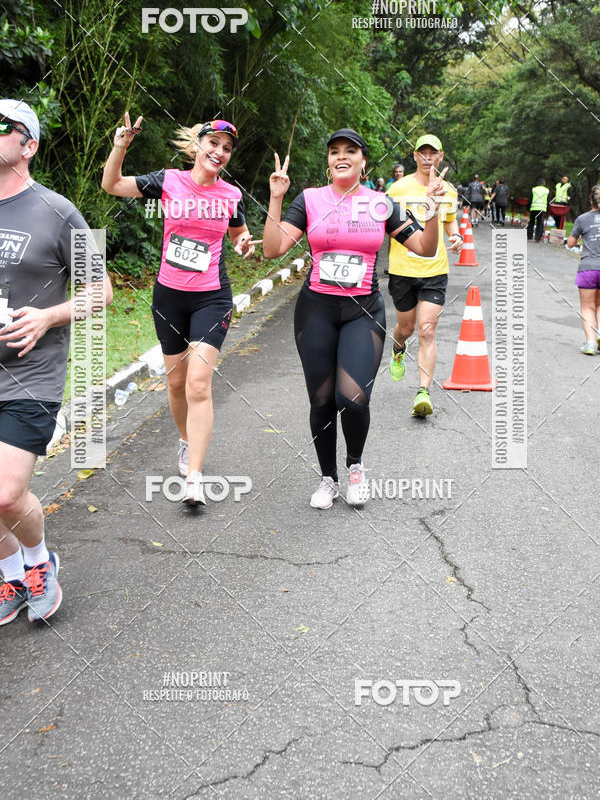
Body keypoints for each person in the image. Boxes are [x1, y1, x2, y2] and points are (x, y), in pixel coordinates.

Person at [263, 129, 444, 510]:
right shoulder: (310, 200)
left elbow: (425, 250)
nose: (341, 156)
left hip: (362, 310)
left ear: (363, 161)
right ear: (328, 161)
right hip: (316, 310)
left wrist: (432, 212)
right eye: (334, 151)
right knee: (322, 399)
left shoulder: (381, 203)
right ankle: (328, 478)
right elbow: (273, 248)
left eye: (350, 151)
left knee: (354, 398)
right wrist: (276, 199)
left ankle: (355, 466)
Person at [102, 114, 256, 506]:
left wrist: (242, 244)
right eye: (213, 144)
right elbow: (112, 185)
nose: (219, 152)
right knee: (176, 383)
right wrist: (121, 145)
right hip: (169, 296)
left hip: (212, 296)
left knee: (198, 383)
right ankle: (186, 440)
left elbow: (238, 234)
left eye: (226, 148)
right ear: (197, 146)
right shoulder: (169, 181)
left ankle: (195, 477)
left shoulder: (230, 196)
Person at [0, 99, 113, 626]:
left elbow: (103, 290)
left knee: (4, 491)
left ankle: (40, 561)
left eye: (6, 127)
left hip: (30, 374)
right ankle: (11, 578)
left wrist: (48, 317)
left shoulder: (59, 209)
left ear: (30, 144)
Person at [387, 134, 463, 417]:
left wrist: (456, 239)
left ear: (441, 156)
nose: (428, 157)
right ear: (415, 156)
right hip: (402, 270)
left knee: (427, 330)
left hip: (434, 270)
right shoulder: (397, 189)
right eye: (423, 152)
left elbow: (450, 225)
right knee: (405, 329)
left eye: (433, 152)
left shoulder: (449, 191)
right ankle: (397, 348)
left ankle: (423, 393)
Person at [566, 185, 600, 355]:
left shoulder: (582, 219)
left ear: (590, 199)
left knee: (588, 307)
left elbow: (570, 243)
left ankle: (590, 343)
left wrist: (582, 238)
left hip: (588, 268)